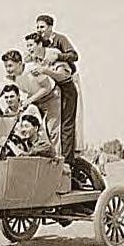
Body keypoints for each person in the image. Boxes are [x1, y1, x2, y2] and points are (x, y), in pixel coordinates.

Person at [0, 50, 61, 155]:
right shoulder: (11, 77)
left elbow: (46, 87)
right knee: (33, 128)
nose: (8, 70)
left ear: (19, 63)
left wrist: (29, 101)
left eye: (10, 66)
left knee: (52, 130)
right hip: (34, 97)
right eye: (6, 67)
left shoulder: (33, 69)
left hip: (51, 96)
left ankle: (57, 162)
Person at [35, 13, 85, 154]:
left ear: (50, 27)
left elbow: (74, 56)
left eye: (42, 27)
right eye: (38, 27)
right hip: (49, 86)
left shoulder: (60, 39)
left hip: (65, 82)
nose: (40, 30)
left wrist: (58, 56)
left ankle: (67, 158)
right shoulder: (39, 43)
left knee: (66, 123)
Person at [25, 32, 77, 166]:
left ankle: (62, 163)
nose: (29, 49)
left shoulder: (53, 54)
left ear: (40, 44)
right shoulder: (33, 59)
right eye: (27, 46)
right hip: (47, 94)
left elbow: (64, 76)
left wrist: (45, 71)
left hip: (65, 91)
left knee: (61, 129)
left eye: (31, 45)